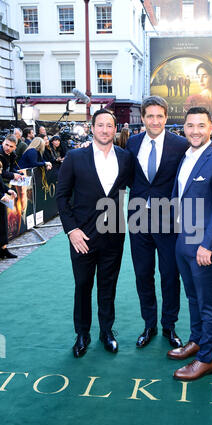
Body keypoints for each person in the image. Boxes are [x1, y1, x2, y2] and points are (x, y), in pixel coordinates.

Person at [167, 106, 212, 381]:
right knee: (193, 297)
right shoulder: (186, 156)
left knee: (208, 303)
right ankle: (196, 341)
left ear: (211, 128)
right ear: (183, 128)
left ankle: (207, 359)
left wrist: (207, 245)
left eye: (201, 126)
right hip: (184, 238)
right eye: (190, 125)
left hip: (205, 245)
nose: (195, 131)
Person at [56, 109, 133, 358]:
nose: (104, 130)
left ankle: (106, 332)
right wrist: (71, 230)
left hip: (113, 234)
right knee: (83, 286)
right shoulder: (75, 157)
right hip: (82, 236)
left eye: (109, 126)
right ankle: (82, 333)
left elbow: (140, 188)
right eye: (100, 125)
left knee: (108, 285)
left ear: (115, 129)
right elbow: (61, 197)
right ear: (92, 128)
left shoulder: (125, 157)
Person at [125, 95, 189, 349]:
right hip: (138, 217)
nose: (154, 120)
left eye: (159, 116)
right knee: (143, 273)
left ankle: (169, 325)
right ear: (143, 118)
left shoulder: (180, 144)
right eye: (149, 116)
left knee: (170, 274)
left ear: (166, 118)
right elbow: (127, 176)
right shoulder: (132, 143)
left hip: (169, 219)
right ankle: (149, 324)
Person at [0, 161, 18, 259]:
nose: (0, 172)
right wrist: (1, 196)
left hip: (2, 203)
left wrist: (8, 190)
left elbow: (1, 184)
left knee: (3, 226)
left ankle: (3, 249)